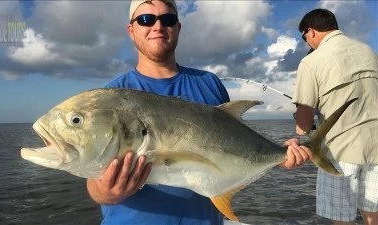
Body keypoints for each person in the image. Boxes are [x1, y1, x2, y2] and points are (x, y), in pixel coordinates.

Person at [87, 1, 312, 224]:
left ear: (178, 27)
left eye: (168, 19)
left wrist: (278, 156)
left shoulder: (209, 83)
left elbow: (236, 147)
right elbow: (94, 184)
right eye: (146, 19)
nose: (157, 26)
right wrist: (108, 192)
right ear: (131, 29)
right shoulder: (113, 98)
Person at [293, 8, 378, 225]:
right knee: (372, 214)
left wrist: (302, 127)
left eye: (304, 37)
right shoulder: (368, 51)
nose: (307, 42)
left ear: (310, 31)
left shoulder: (311, 61)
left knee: (342, 219)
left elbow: (304, 119)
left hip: (341, 153)